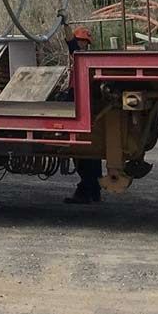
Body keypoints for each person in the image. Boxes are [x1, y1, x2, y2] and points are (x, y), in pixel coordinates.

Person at [62, 26, 102, 204]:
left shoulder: (78, 55)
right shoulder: (89, 59)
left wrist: (64, 23)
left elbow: (70, 41)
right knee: (92, 153)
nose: (81, 45)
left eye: (83, 42)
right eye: (82, 42)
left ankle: (88, 190)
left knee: (82, 153)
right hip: (87, 104)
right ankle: (93, 190)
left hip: (79, 101)